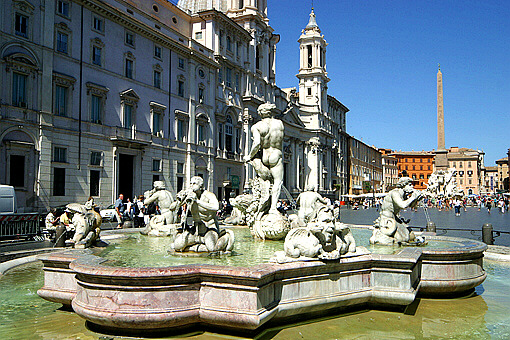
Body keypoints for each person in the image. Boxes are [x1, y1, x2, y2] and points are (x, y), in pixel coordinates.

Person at [173, 176, 233, 252]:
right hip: (195, 229)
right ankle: (199, 243)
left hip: (209, 228)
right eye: (190, 183)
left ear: (200, 186)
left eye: (194, 184)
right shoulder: (190, 196)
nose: (191, 186)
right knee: (177, 246)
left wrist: (197, 201)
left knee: (212, 249)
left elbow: (215, 207)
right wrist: (179, 200)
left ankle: (225, 237)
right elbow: (172, 208)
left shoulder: (209, 195)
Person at [244, 103, 284, 214]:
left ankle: (262, 204)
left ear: (260, 113)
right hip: (276, 154)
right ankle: (273, 208)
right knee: (277, 182)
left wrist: (249, 156)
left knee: (264, 180)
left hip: (265, 155)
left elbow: (256, 143)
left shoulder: (257, 126)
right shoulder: (279, 124)